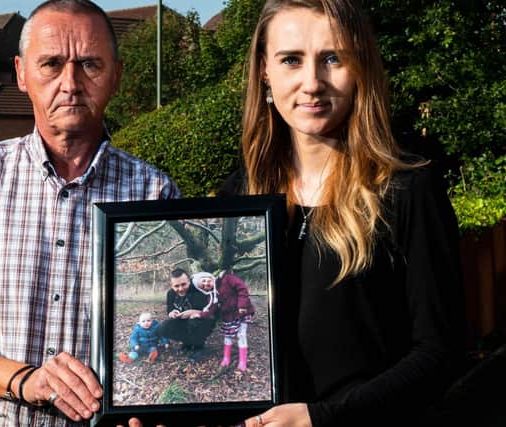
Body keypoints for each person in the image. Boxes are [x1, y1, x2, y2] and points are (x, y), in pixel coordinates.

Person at [0, 1, 179, 425]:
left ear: (116, 75)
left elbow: (162, 335)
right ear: (21, 73)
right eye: (52, 64)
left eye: (90, 65)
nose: (70, 83)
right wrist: (27, 380)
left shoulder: (154, 193)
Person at [221, 1, 465, 426]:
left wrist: (324, 418)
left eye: (333, 58)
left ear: (360, 68)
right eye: (291, 60)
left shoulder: (408, 189)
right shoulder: (240, 195)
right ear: (264, 70)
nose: (312, 83)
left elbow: (440, 352)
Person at [156, 268, 216, 362]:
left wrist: (194, 312)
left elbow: (211, 314)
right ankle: (187, 342)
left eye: (183, 284)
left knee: (194, 322)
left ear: (189, 281)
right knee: (162, 328)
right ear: (171, 285)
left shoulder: (199, 290)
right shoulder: (170, 294)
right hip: (182, 321)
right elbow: (169, 309)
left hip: (201, 321)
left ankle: (198, 348)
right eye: (176, 286)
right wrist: (172, 313)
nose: (180, 289)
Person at [215, 270, 255, 372]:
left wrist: (242, 305)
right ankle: (226, 357)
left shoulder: (229, 278)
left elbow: (242, 288)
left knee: (241, 334)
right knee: (227, 335)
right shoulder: (214, 286)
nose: (207, 283)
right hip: (228, 315)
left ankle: (242, 361)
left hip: (240, 312)